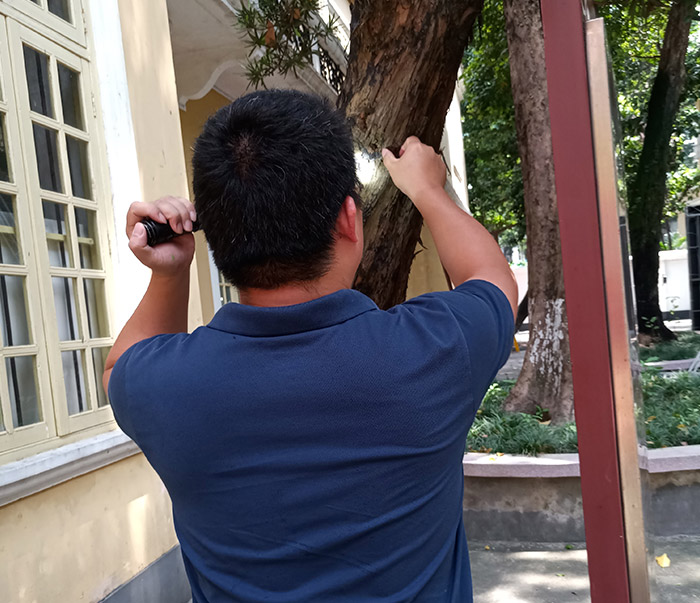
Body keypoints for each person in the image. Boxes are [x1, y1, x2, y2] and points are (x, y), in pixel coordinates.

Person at [104, 89, 517, 603]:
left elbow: (119, 366)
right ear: (348, 219)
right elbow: (492, 280)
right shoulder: (433, 350)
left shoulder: (163, 388)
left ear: (219, 237)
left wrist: (169, 275)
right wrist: (427, 189)